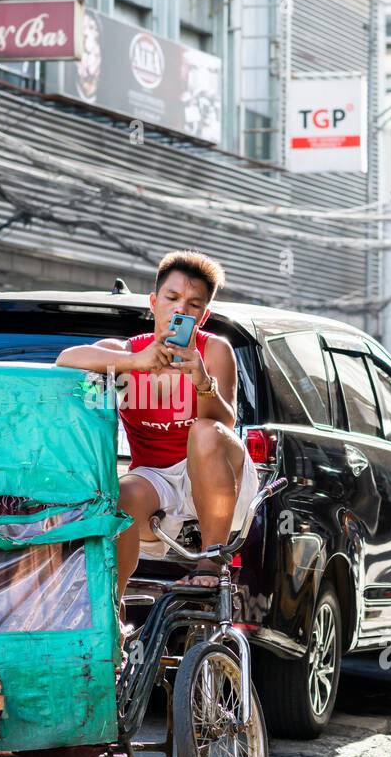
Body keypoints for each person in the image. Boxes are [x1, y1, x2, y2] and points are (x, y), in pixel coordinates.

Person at [56, 250, 259, 608]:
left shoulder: (213, 351)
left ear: (204, 314)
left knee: (205, 431)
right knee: (119, 495)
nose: (182, 308)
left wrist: (200, 380)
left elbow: (224, 422)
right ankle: (109, 614)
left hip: (218, 473)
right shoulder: (126, 352)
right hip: (155, 478)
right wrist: (136, 362)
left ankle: (212, 558)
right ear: (154, 303)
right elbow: (66, 359)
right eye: (172, 298)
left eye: (194, 304)